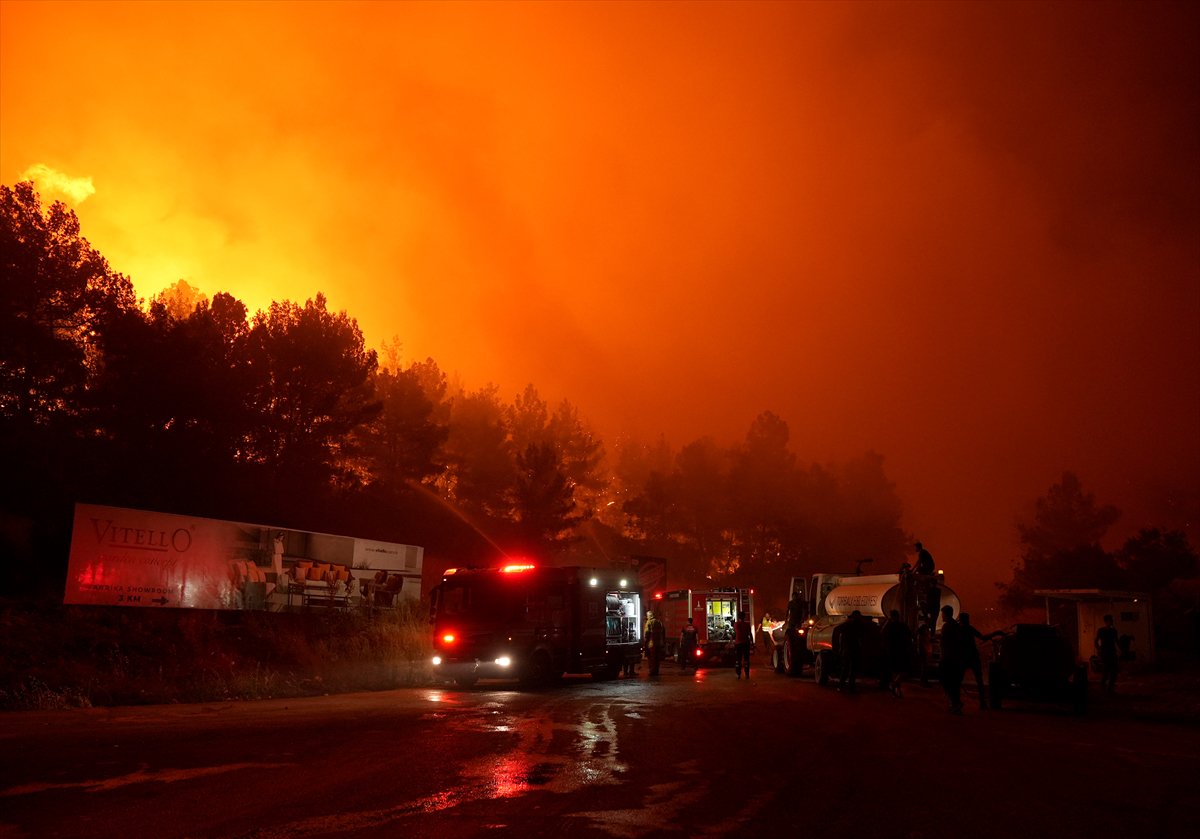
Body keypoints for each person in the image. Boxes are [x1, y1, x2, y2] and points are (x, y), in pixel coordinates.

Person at [959, 613, 1003, 709]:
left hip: (964, 657)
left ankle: (956, 702)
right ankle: (982, 703)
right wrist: (996, 633)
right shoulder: (969, 628)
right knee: (979, 681)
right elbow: (983, 637)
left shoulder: (960, 629)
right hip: (973, 656)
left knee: (958, 680)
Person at [938, 604, 965, 714]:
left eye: (943, 614)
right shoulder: (957, 626)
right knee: (954, 683)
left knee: (946, 680)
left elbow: (945, 642)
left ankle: (955, 703)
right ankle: (955, 703)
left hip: (948, 658)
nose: (942, 616)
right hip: (956, 659)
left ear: (946, 614)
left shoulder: (947, 626)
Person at [881, 609, 912, 697]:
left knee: (895, 671)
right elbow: (908, 637)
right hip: (901, 651)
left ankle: (896, 689)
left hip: (891, 651)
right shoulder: (902, 626)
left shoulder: (889, 626)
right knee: (903, 670)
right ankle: (896, 687)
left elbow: (882, 634)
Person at [837, 610, 866, 692]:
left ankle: (842, 685)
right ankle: (850, 686)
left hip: (848, 648)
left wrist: (841, 647)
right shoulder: (859, 625)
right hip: (854, 648)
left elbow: (840, 634)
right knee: (853, 668)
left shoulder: (847, 624)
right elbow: (861, 637)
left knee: (846, 668)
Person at [1095, 614, 1119, 693]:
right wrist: (1099, 650)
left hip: (1112, 652)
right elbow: (1096, 641)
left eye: (1111, 620)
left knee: (1114, 671)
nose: (1111, 622)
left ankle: (1110, 687)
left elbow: (1116, 641)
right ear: (1106, 621)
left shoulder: (1113, 631)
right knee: (1106, 670)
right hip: (1105, 652)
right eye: (1110, 620)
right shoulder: (1101, 630)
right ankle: (1103, 686)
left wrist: (1120, 650)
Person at [644, 610, 666, 677]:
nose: (647, 617)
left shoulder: (649, 622)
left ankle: (652, 671)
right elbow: (663, 631)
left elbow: (647, 633)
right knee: (657, 658)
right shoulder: (659, 622)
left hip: (651, 643)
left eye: (647, 615)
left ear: (650, 616)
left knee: (651, 658)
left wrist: (645, 642)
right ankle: (656, 671)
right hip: (658, 643)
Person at [733, 610, 753, 679]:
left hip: (738, 644)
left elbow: (734, 632)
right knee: (746, 659)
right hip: (746, 644)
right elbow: (750, 634)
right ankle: (747, 674)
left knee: (738, 659)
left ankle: (738, 674)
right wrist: (752, 643)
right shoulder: (747, 625)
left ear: (738, 617)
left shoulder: (736, 624)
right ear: (744, 617)